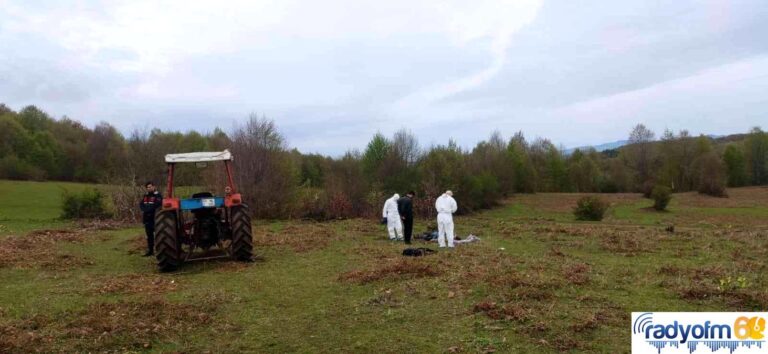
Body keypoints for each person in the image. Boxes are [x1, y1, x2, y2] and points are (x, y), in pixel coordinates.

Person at [139, 181, 163, 257]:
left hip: (155, 219)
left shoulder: (158, 196)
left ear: (153, 187)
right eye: (147, 187)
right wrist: (145, 209)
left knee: (159, 236)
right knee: (149, 236)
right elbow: (141, 204)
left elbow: (157, 205)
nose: (149, 188)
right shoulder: (145, 196)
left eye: (150, 187)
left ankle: (160, 251)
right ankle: (150, 251)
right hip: (147, 219)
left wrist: (148, 209)